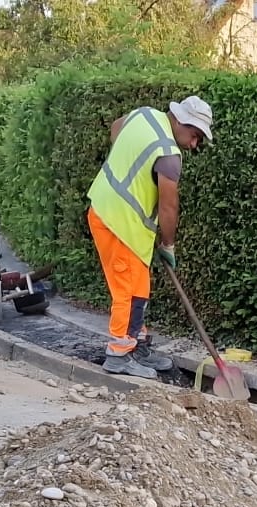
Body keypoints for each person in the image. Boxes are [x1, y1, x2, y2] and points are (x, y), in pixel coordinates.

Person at [86, 96, 213, 379]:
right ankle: (118, 355)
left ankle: (137, 345)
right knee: (127, 292)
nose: (194, 144)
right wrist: (169, 244)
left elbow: (116, 129)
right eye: (194, 136)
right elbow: (169, 207)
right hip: (117, 222)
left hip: (114, 215)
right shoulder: (168, 156)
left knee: (139, 288)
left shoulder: (144, 115)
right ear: (180, 121)